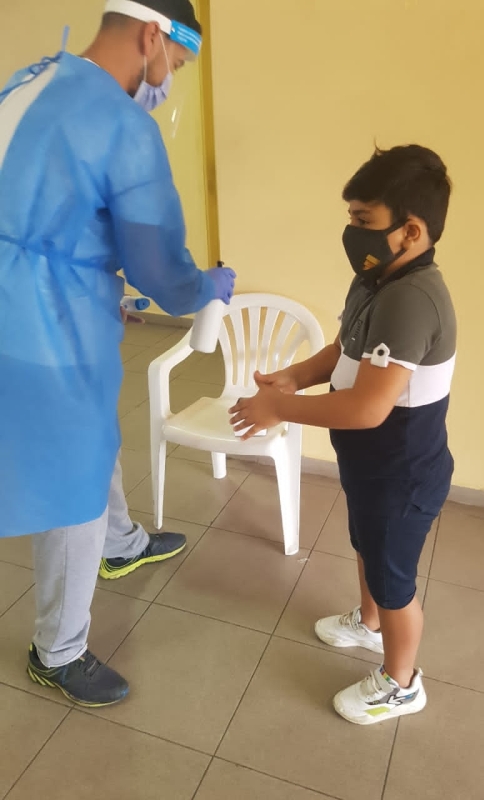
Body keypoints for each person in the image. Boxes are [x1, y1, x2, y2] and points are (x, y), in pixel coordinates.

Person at [0, 0, 236, 708]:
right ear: (153, 36)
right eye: (178, 64)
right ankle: (58, 651)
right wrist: (205, 287)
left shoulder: (29, 81)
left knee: (91, 438)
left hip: (26, 301)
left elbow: (41, 214)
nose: (169, 81)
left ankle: (122, 543)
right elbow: (161, 266)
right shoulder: (122, 125)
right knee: (73, 472)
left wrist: (98, 282)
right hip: (43, 327)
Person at [230, 145, 456, 726]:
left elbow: (368, 408)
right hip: (371, 464)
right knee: (366, 545)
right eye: (350, 217)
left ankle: (401, 683)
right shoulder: (375, 281)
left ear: (410, 231)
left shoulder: (412, 299)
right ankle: (369, 622)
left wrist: (279, 407)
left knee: (394, 579)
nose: (351, 232)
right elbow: (342, 350)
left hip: (403, 471)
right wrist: (294, 377)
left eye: (363, 220)